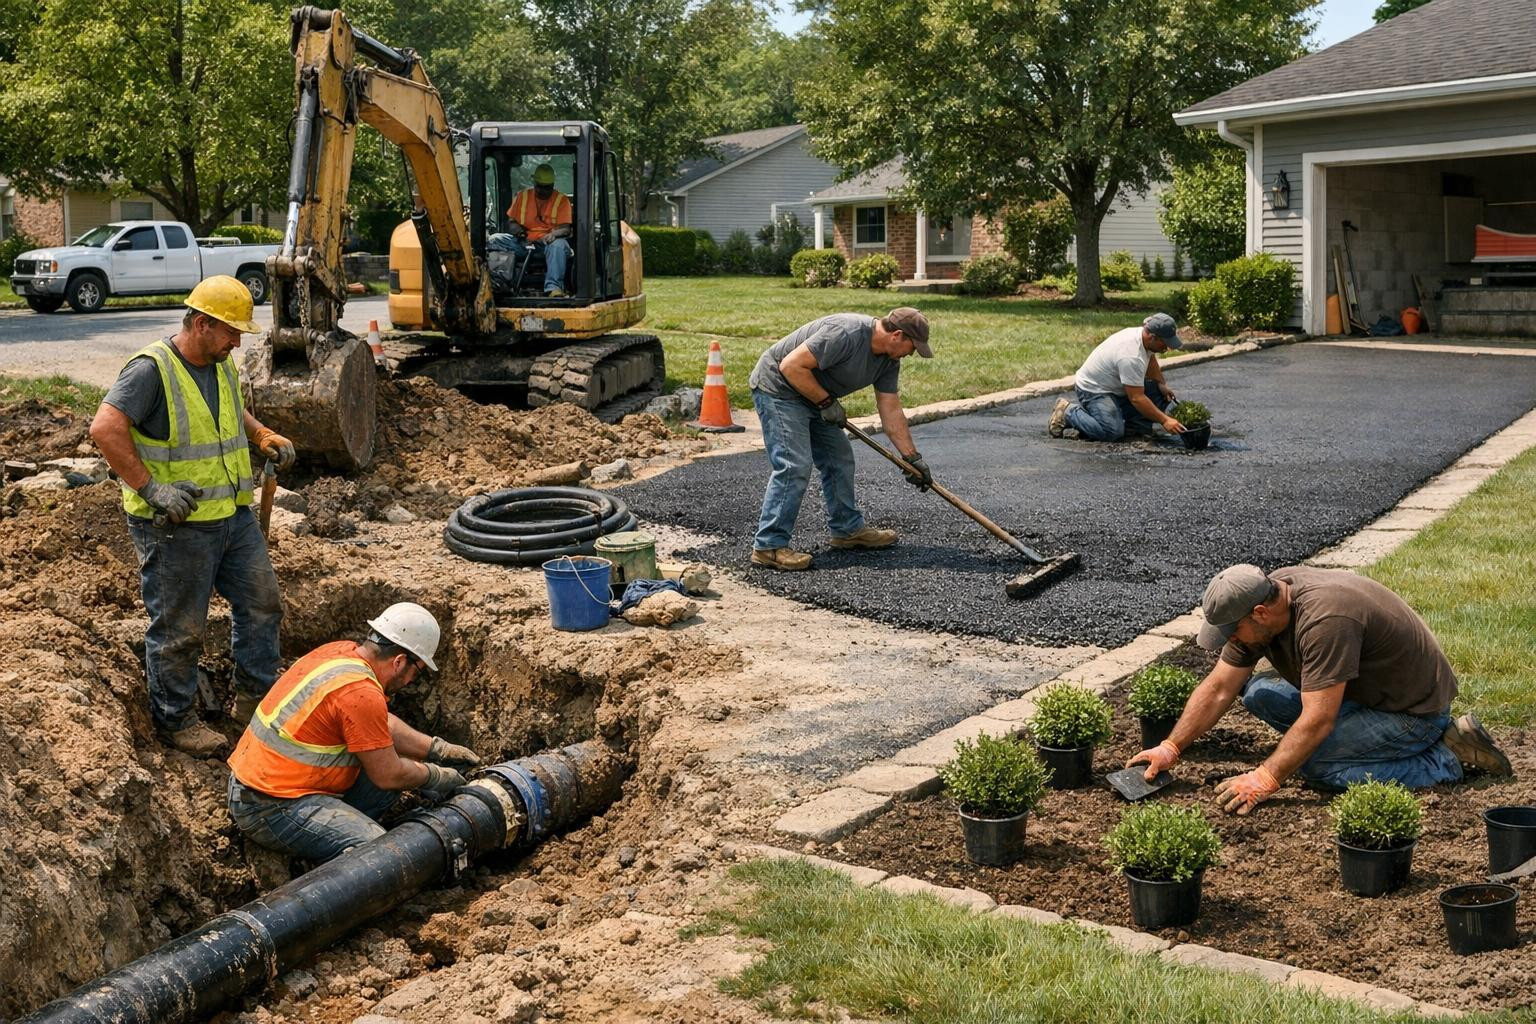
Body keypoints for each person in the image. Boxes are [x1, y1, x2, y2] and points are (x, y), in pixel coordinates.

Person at [90, 276, 297, 757]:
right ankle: (175, 720)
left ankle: (254, 699)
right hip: (176, 527)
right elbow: (105, 427)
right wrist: (151, 488)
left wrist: (260, 433)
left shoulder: (220, 363)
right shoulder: (151, 370)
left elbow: (231, 410)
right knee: (180, 629)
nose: (237, 343)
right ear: (201, 324)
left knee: (263, 603)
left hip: (232, 516)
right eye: (231, 332)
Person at [1127, 563, 1513, 815]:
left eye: (1233, 631)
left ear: (1259, 613)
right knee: (1259, 693)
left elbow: (1318, 719)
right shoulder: (1270, 597)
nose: (1231, 640)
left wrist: (1265, 778)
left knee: (1318, 768)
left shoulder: (1326, 620)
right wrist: (1170, 747)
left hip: (1412, 712)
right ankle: (1356, 746)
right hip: (1362, 695)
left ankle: (1445, 757)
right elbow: (1218, 688)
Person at [226, 602, 483, 863]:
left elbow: (377, 724)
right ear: (399, 661)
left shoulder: (340, 653)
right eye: (415, 673)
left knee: (401, 768)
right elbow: (389, 774)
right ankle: (325, 863)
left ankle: (332, 838)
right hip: (268, 806)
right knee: (383, 856)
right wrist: (437, 776)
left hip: (263, 785)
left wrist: (437, 749)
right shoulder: (361, 693)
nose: (409, 681)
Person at [746, 307, 934, 571]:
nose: (911, 353)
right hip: (780, 389)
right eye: (912, 347)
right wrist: (825, 402)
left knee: (839, 459)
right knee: (794, 465)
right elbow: (790, 366)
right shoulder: (846, 333)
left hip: (816, 396)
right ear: (897, 336)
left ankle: (847, 530)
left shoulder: (889, 361)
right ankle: (769, 546)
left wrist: (912, 458)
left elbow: (891, 411)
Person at [1049, 313, 1186, 441]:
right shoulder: (1131, 356)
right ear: (1152, 337)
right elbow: (1136, 398)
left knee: (1159, 392)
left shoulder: (1145, 339)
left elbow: (1150, 359)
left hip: (1115, 386)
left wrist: (1161, 384)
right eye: (1165, 343)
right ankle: (1068, 412)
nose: (1168, 347)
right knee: (1111, 431)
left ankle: (1136, 429)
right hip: (1094, 390)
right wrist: (1165, 420)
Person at [490, 162, 573, 297]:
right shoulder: (522, 197)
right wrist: (521, 235)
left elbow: (566, 229)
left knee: (559, 245)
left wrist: (553, 234)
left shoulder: (561, 200)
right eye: (540, 187)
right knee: (495, 240)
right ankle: (499, 282)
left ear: (552, 185)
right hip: (524, 243)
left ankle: (553, 288)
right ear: (534, 183)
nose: (543, 191)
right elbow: (511, 223)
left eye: (547, 188)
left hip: (547, 245)